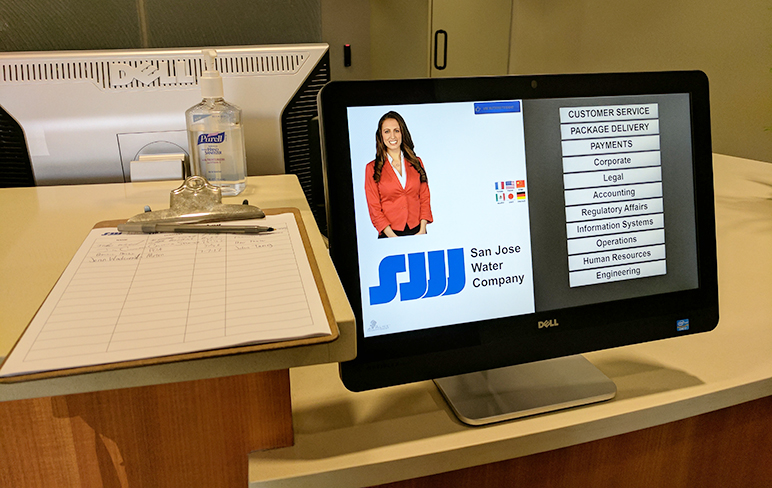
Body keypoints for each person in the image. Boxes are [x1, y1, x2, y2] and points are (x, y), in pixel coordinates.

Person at [364, 111, 433, 238]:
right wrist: (393, 238)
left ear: (402, 133)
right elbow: (374, 207)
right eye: (387, 131)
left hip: (418, 231)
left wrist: (422, 229)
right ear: (381, 135)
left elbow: (424, 197)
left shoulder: (416, 162)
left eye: (396, 130)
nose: (392, 136)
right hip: (390, 234)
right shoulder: (371, 168)